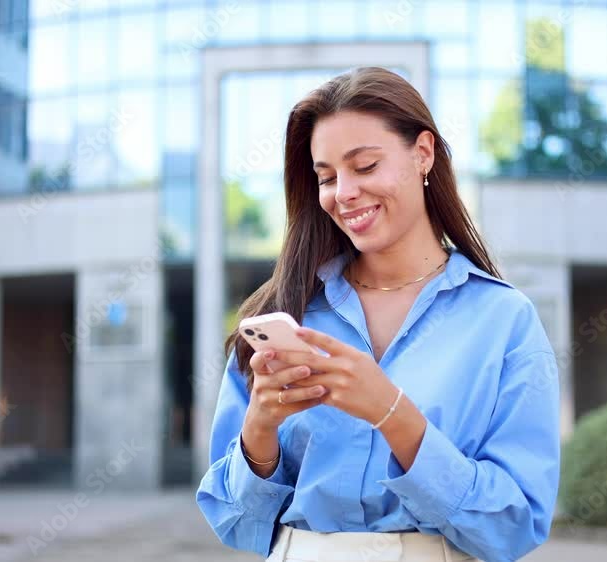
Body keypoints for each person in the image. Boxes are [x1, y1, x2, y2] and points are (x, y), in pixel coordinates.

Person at [196, 66, 559, 562]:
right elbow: (234, 522)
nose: (344, 192)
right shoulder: (288, 310)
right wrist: (259, 429)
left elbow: (514, 526)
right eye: (327, 177)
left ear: (423, 153)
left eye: (365, 166)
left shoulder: (503, 320)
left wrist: (392, 413)